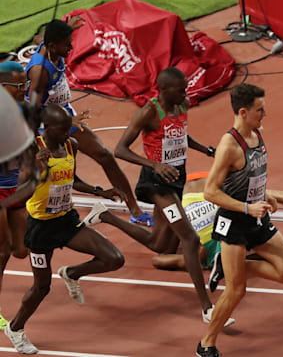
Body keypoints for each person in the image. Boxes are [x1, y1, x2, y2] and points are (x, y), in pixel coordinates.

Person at [4, 104, 125, 355]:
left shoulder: (71, 145)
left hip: (66, 220)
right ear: (47, 128)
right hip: (40, 228)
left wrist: (99, 191)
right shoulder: (33, 150)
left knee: (114, 258)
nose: (67, 133)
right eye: (62, 129)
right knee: (42, 287)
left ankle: (71, 273)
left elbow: (73, 180)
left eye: (68, 128)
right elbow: (19, 191)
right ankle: (15, 328)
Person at [112, 67, 227, 325]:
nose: (186, 93)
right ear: (163, 89)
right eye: (180, 89)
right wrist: (155, 165)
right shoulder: (148, 112)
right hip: (156, 184)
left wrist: (206, 150)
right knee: (189, 238)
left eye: (186, 88)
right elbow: (120, 149)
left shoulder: (182, 105)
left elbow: (180, 135)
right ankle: (207, 307)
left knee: (159, 244)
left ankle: (106, 217)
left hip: (176, 179)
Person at [197, 83, 283, 357]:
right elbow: (210, 192)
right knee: (236, 290)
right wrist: (246, 207)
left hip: (256, 216)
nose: (265, 114)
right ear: (243, 112)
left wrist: (265, 194)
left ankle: (232, 266)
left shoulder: (256, 133)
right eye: (260, 110)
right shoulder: (229, 146)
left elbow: (250, 175)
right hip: (234, 222)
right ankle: (206, 344)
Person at [25, 18, 153, 226]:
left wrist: (67, 28)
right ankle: (42, 219)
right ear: (53, 46)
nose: (71, 48)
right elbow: (33, 111)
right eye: (67, 44)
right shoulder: (40, 71)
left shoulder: (49, 45)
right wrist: (66, 121)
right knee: (49, 175)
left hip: (64, 113)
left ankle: (135, 211)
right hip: (47, 122)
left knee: (104, 155)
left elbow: (38, 37)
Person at [84, 172, 221, 272]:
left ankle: (109, 215)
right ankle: (106, 216)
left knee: (163, 245)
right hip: (180, 194)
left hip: (199, 183)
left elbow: (158, 260)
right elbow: (158, 260)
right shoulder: (203, 255)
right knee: (159, 245)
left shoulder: (213, 251)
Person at [0, 62, 31, 329]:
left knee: (21, 250)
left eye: (26, 84)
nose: (24, 89)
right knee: (2, 250)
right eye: (19, 86)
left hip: (14, 188)